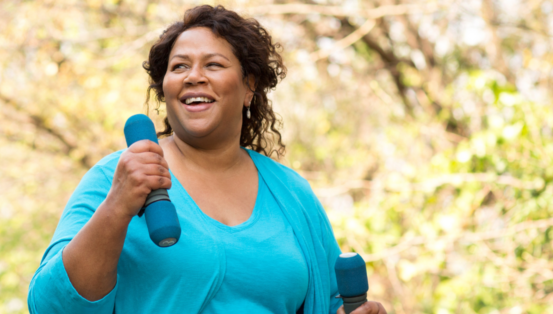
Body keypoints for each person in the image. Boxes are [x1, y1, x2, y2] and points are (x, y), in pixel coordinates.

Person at [27, 5, 387, 314]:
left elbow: (328, 302)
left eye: (213, 65)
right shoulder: (116, 177)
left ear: (249, 87)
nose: (194, 77)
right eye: (179, 67)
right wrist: (117, 207)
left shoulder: (291, 193)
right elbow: (50, 304)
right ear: (164, 89)